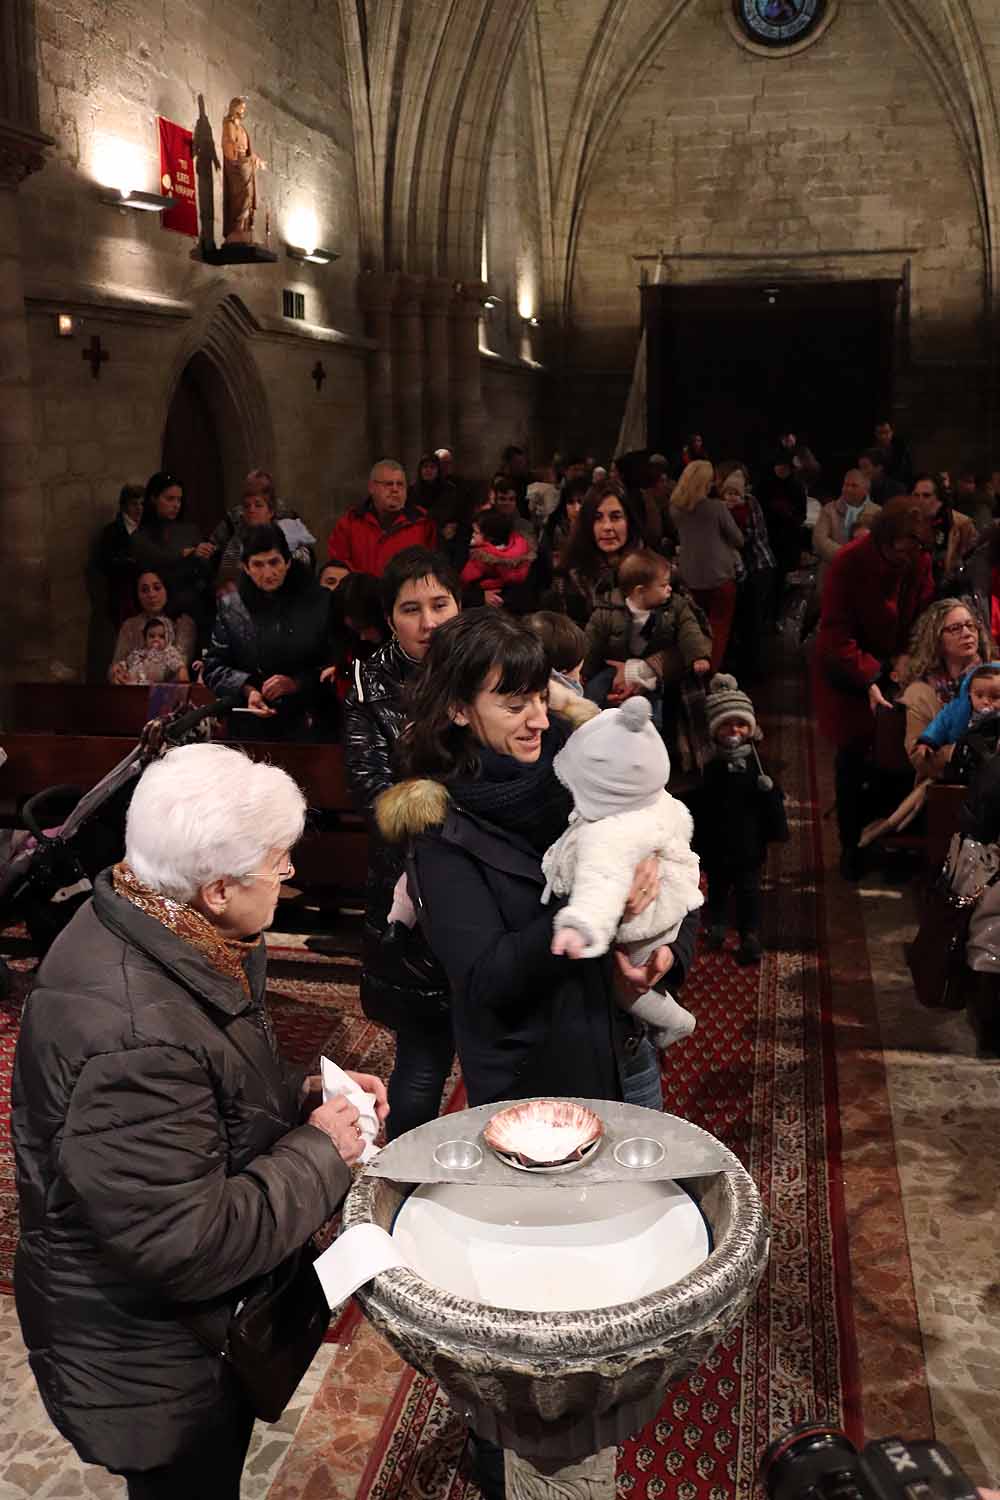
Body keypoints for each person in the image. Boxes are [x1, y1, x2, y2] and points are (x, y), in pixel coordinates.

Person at [12, 741, 388, 1497]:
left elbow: (201, 1094)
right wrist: (322, 1150)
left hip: (177, 1335)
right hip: (152, 1361)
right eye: (277, 863)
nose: (289, 874)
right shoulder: (133, 1037)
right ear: (216, 889)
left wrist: (303, 1095)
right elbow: (186, 1242)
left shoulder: (161, 923)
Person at [376, 609, 701, 1111]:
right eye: (514, 706)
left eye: (540, 697)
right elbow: (486, 980)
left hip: (624, 1048)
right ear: (459, 709)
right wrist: (595, 908)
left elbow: (671, 851)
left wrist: (670, 954)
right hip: (534, 1083)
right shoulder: (441, 829)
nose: (540, 720)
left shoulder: (584, 764)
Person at [343, 548, 461, 1139]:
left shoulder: (489, 663)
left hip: (496, 885)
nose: (428, 622)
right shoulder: (371, 684)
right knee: (422, 1060)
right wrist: (455, 812)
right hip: (412, 886)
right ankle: (407, 1177)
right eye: (411, 609)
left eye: (440, 604)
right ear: (390, 618)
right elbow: (372, 791)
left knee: (505, 1066)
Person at [543, 696, 702, 1050]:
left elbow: (599, 884)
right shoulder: (655, 801)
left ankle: (675, 1021)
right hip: (670, 909)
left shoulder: (609, 830)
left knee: (626, 987)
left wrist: (581, 925)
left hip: (643, 926)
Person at [812, 497, 935, 878]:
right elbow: (835, 633)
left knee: (897, 755)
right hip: (850, 666)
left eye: (913, 551)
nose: (905, 559)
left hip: (899, 666)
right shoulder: (849, 562)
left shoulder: (917, 560)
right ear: (884, 540)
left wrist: (908, 657)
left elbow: (923, 615)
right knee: (853, 759)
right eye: (899, 551)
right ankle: (852, 846)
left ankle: (886, 841)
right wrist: (868, 677)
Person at [692, 673, 788, 965]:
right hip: (717, 843)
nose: (734, 730)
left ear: (750, 728)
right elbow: (700, 806)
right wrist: (695, 841)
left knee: (749, 891)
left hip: (749, 845)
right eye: (726, 724)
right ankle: (718, 924)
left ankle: (749, 933)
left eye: (740, 724)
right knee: (718, 887)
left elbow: (772, 802)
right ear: (714, 729)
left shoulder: (760, 766)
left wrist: (777, 829)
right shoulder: (709, 766)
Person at [203, 524, 331, 737]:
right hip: (251, 721)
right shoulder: (232, 607)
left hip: (309, 719)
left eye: (274, 562)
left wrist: (297, 683)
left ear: (287, 562)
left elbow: (334, 664)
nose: (268, 573)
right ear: (246, 567)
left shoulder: (318, 601)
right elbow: (213, 667)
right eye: (258, 565)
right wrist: (247, 689)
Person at [581, 548, 712, 711]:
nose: (670, 589)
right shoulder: (606, 612)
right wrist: (584, 672)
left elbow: (690, 630)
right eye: (663, 585)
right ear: (640, 591)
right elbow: (591, 644)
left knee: (652, 707)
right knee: (594, 691)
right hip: (615, 668)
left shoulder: (675, 607)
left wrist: (698, 656)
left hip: (652, 675)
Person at [897, 598, 995, 774]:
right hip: (944, 782)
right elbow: (919, 758)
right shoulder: (920, 693)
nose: (967, 633)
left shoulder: (996, 675)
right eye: (955, 628)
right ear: (936, 639)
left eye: (970, 625)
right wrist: (960, 752)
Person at [669, 460, 743, 672]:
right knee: (718, 630)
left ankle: (693, 673)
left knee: (693, 630)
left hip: (689, 577)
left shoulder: (675, 510)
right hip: (720, 577)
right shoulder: (717, 508)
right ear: (705, 482)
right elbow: (738, 539)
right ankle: (710, 675)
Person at [132, 472, 216, 629]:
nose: (176, 505)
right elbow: (157, 562)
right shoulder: (141, 536)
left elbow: (206, 572)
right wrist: (186, 555)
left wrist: (206, 555)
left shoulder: (190, 530)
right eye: (170, 499)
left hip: (197, 611)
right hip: (159, 617)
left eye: (179, 499)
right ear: (153, 498)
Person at [327, 459, 436, 575]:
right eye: (388, 484)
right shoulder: (349, 523)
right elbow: (338, 568)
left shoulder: (423, 523)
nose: (395, 490)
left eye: (400, 484)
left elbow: (434, 567)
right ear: (371, 488)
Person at [211, 471, 315, 590]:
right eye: (247, 506)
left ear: (270, 512)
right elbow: (226, 581)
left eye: (258, 505)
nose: (251, 510)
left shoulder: (288, 533)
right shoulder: (236, 542)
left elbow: (302, 570)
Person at [718, 465, 776, 677]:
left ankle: (754, 670)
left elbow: (748, 537)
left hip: (758, 566)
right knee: (741, 620)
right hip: (738, 571)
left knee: (753, 621)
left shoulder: (750, 503)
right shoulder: (719, 505)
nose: (732, 495)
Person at [562, 482, 643, 623]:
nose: (607, 527)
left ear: (629, 522)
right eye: (597, 518)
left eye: (615, 517)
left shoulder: (652, 569)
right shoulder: (573, 576)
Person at [108, 570, 197, 683]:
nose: (151, 595)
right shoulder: (130, 625)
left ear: (167, 589)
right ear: (137, 595)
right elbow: (116, 664)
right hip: (133, 686)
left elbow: (180, 665)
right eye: (144, 590)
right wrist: (116, 674)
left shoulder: (183, 623)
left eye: (157, 588)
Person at [912, 662, 1000, 767]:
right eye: (979, 696)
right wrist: (927, 742)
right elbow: (939, 725)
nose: (985, 702)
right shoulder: (957, 709)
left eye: (995, 697)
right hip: (963, 759)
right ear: (969, 693)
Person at [812, 470, 882, 591]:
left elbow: (881, 544)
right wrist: (847, 556)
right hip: (832, 573)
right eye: (846, 484)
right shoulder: (829, 509)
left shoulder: (878, 513)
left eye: (854, 485)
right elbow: (819, 540)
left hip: (864, 577)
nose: (848, 489)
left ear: (866, 490)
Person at [758, 453, 808, 606]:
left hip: (787, 540)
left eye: (784, 466)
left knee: (781, 581)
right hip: (767, 538)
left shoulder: (797, 486)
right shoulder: (764, 484)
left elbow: (802, 515)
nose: (780, 469)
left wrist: (789, 514)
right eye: (778, 465)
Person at [460, 508, 533, 609]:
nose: (472, 535)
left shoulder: (481, 556)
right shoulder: (523, 552)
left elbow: (464, 580)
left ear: (490, 537)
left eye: (476, 532)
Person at [95, 483, 145, 625]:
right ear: (124, 506)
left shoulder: (149, 529)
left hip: (147, 595)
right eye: (134, 504)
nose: (139, 508)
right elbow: (105, 564)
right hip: (124, 598)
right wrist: (130, 562)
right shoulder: (112, 532)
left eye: (142, 504)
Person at [117, 616, 190, 685]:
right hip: (135, 685)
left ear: (168, 638)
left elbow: (179, 667)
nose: (156, 639)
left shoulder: (168, 653)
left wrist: (181, 671)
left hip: (156, 687)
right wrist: (121, 668)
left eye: (161, 636)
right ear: (145, 638)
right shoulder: (139, 653)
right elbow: (127, 663)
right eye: (151, 636)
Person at [873, 418, 914, 490]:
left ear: (891, 432)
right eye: (880, 433)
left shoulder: (901, 449)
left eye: (886, 432)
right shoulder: (873, 449)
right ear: (875, 434)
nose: (883, 436)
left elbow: (905, 471)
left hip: (899, 485)